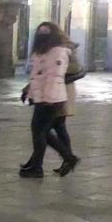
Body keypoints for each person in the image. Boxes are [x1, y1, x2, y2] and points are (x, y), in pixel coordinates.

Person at [19, 22, 74, 179]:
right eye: (40, 32)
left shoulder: (58, 52)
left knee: (40, 132)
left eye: (46, 32)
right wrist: (30, 92)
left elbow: (53, 77)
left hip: (51, 98)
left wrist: (47, 98)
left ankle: (38, 167)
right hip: (42, 97)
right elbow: (38, 76)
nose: (42, 35)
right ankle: (67, 158)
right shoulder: (42, 51)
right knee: (42, 132)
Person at [48, 32, 83, 177]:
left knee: (45, 128)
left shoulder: (65, 50)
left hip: (63, 91)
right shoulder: (53, 49)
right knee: (58, 127)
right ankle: (67, 159)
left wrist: (58, 68)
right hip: (55, 90)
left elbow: (75, 68)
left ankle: (68, 158)